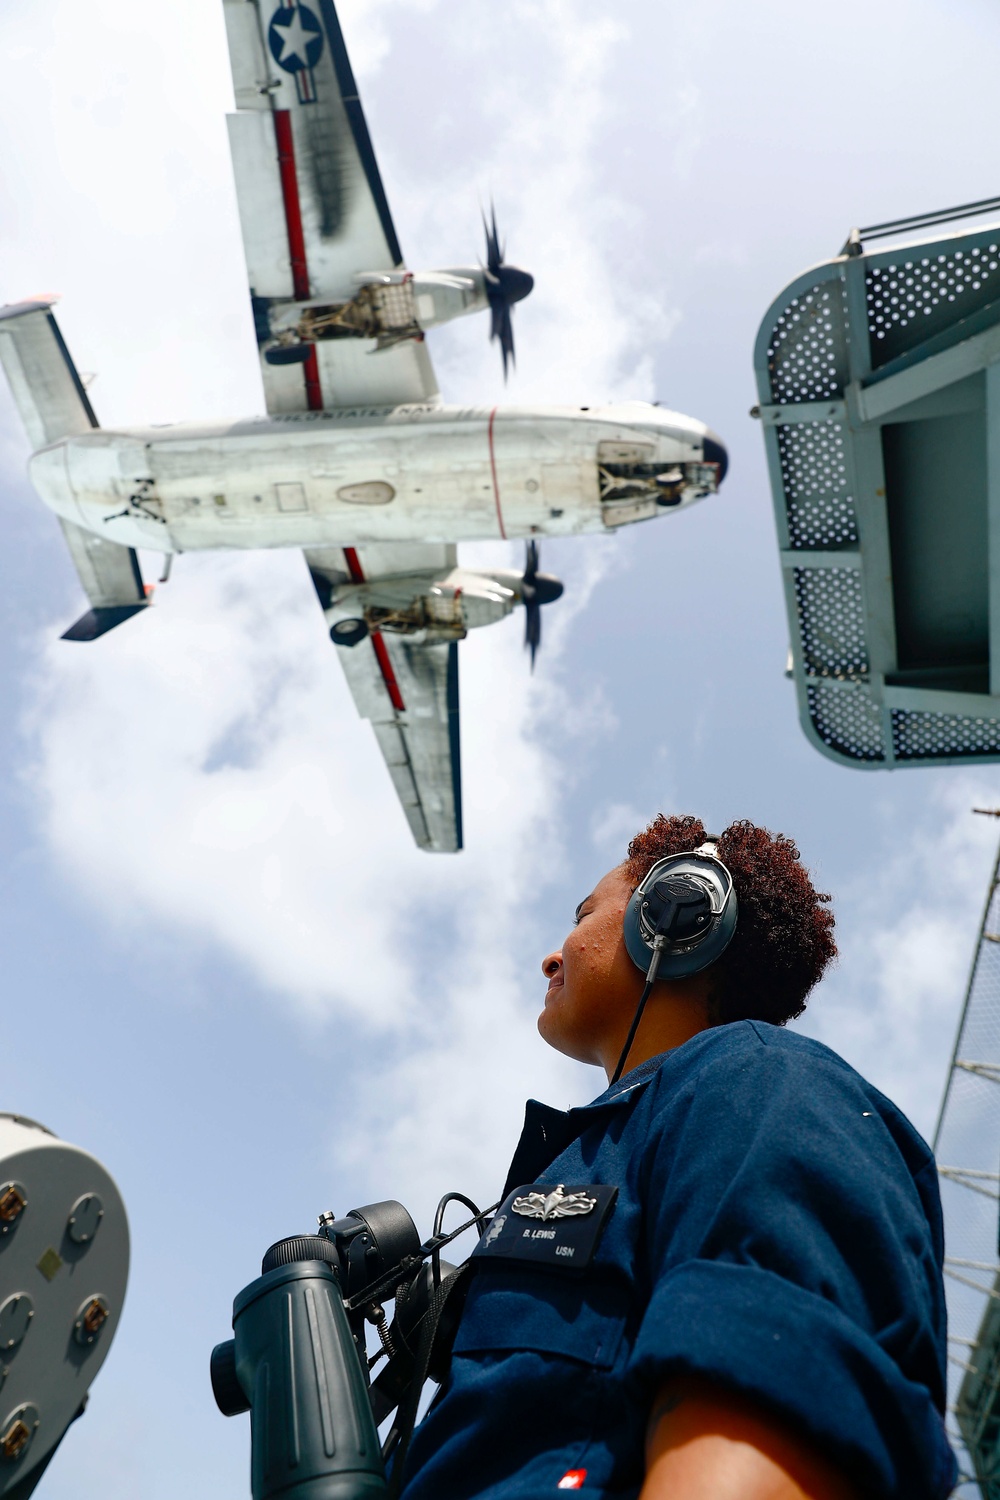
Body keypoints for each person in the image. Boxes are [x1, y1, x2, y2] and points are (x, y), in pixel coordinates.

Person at [396, 814, 956, 1500]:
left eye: (583, 915)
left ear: (676, 912)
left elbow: (764, 1447)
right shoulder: (599, 1153)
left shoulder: (761, 1084)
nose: (552, 955)